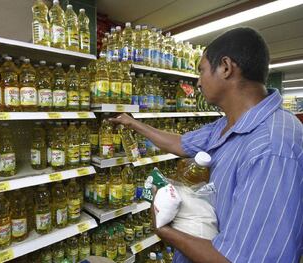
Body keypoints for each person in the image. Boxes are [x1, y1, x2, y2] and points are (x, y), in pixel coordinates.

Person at [110, 27, 303, 262]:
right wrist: (135, 124)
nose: (198, 82)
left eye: (201, 71)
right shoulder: (227, 124)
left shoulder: (272, 149)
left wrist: (164, 230)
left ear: (225, 67)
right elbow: (181, 143)